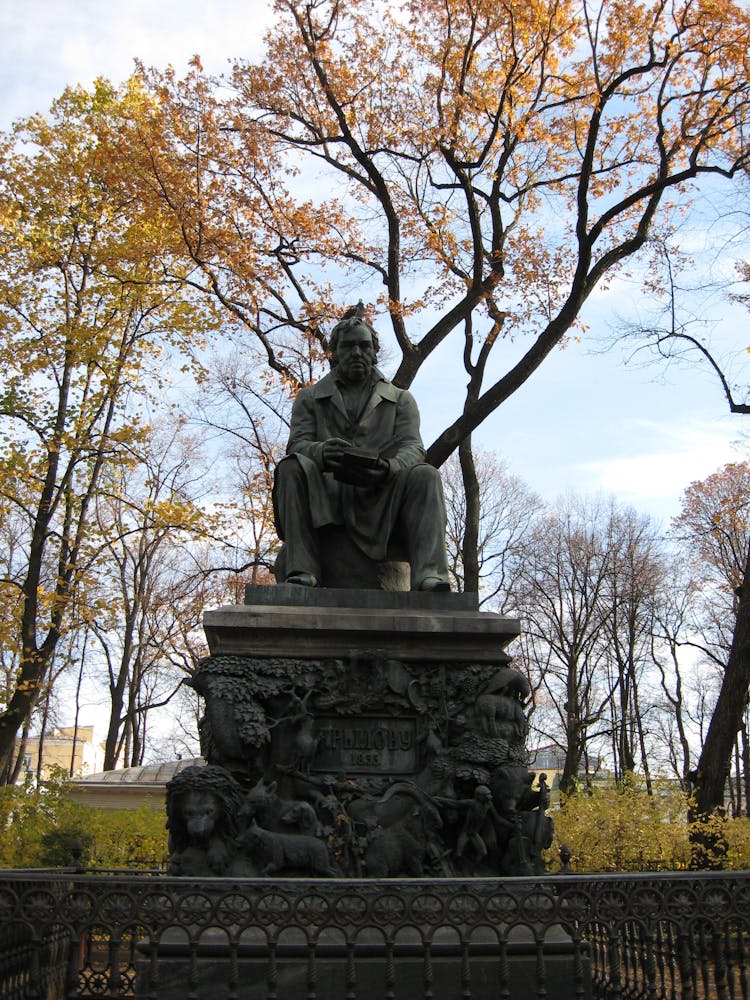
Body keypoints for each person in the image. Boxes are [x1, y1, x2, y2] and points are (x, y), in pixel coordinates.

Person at [272, 310, 451, 591]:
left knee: (426, 475)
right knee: (291, 466)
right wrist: (321, 452)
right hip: (327, 495)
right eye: (348, 346)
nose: (357, 352)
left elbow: (413, 447)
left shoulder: (401, 400)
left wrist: (389, 467)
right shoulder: (309, 398)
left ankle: (431, 576)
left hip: (382, 496)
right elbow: (298, 444)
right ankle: (302, 570)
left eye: (364, 346)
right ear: (335, 353)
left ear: (375, 352)